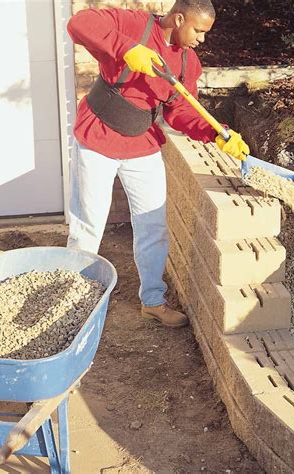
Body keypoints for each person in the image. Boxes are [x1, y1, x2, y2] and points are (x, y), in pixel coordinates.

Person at [66, 0, 249, 328]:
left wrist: (216, 134)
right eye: (198, 31)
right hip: (97, 138)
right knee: (88, 225)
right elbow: (79, 24)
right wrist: (126, 49)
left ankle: (152, 301)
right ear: (179, 18)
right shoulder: (133, 24)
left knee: (153, 227)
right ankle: (74, 305)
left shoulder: (186, 63)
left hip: (142, 144)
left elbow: (180, 112)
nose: (201, 40)